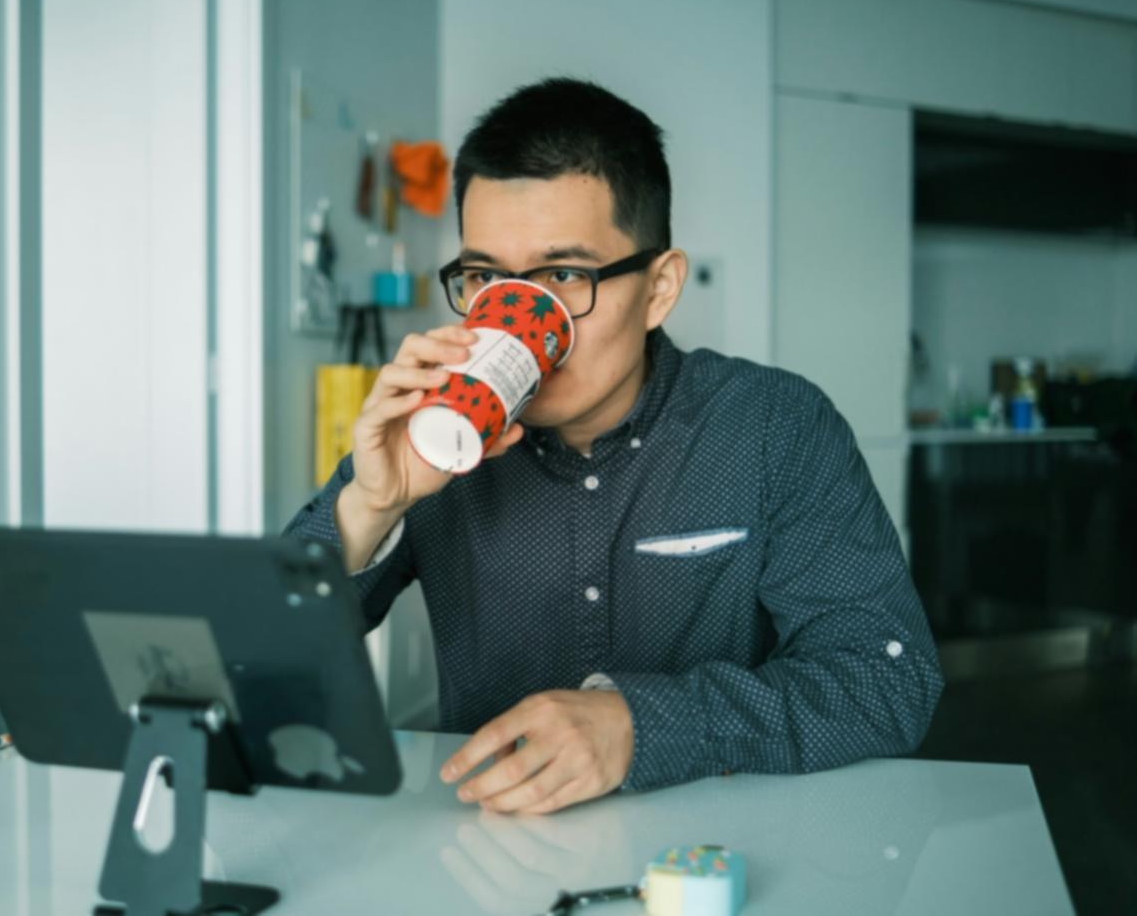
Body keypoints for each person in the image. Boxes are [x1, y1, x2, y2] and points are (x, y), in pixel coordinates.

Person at [283, 77, 943, 815]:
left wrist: (644, 725)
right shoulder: (439, 434)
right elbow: (264, 661)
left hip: (723, 854)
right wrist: (373, 503)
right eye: (485, 278)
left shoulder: (773, 427)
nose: (517, 321)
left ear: (659, 288)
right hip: (487, 853)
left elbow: (890, 679)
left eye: (564, 274)